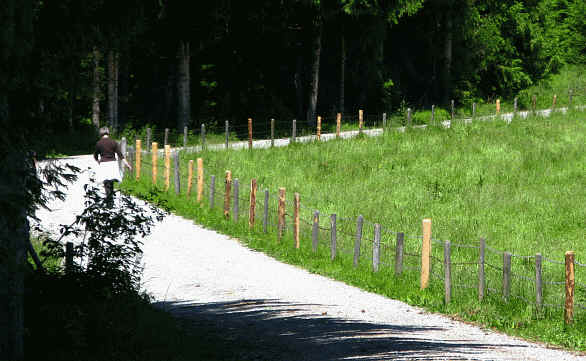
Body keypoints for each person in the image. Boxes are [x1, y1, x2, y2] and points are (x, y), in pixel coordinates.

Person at [93, 127, 131, 205]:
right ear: (108, 133)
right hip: (112, 164)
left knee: (106, 181)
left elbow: (95, 155)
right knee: (111, 181)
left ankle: (109, 199)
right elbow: (120, 155)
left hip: (104, 164)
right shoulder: (113, 142)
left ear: (100, 134)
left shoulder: (98, 143)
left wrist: (98, 161)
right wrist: (127, 164)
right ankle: (111, 199)